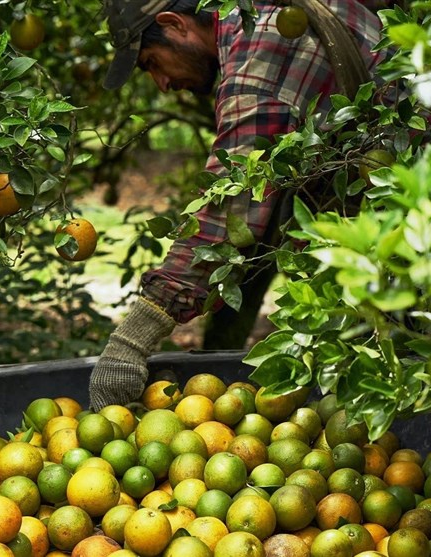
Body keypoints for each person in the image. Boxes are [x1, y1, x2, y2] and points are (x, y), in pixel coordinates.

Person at [89, 0, 394, 411]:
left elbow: (228, 208)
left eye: (151, 63)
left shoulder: (259, 59)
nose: (161, 83)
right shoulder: (269, 12)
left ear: (173, 24)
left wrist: (132, 339)